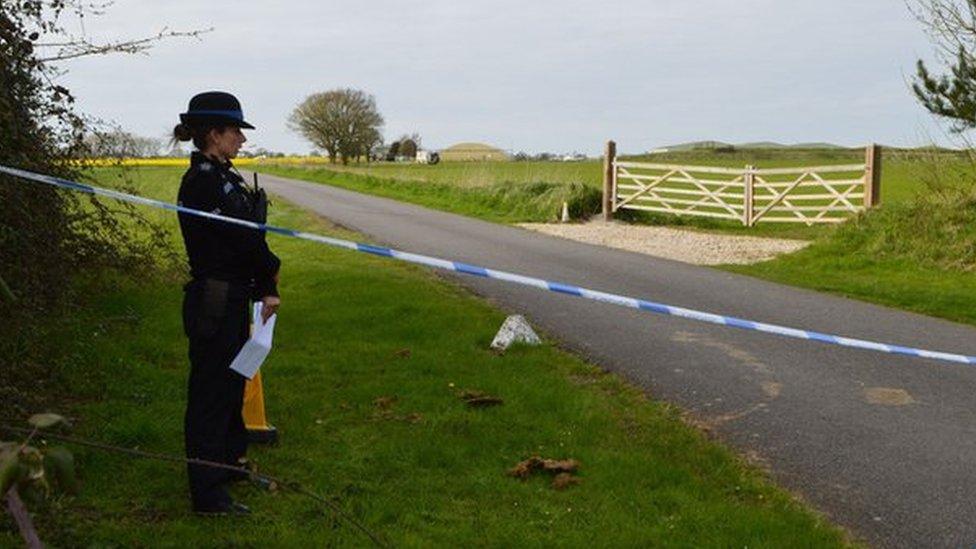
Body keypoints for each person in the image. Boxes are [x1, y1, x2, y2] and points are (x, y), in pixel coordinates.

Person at [172, 91, 281, 516]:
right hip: (214, 298)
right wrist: (270, 271)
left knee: (234, 383)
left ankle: (229, 464)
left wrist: (265, 283)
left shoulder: (225, 176)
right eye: (235, 130)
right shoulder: (203, 181)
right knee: (211, 394)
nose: (242, 139)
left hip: (234, 294)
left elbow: (250, 238)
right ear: (213, 134)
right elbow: (245, 240)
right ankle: (208, 494)